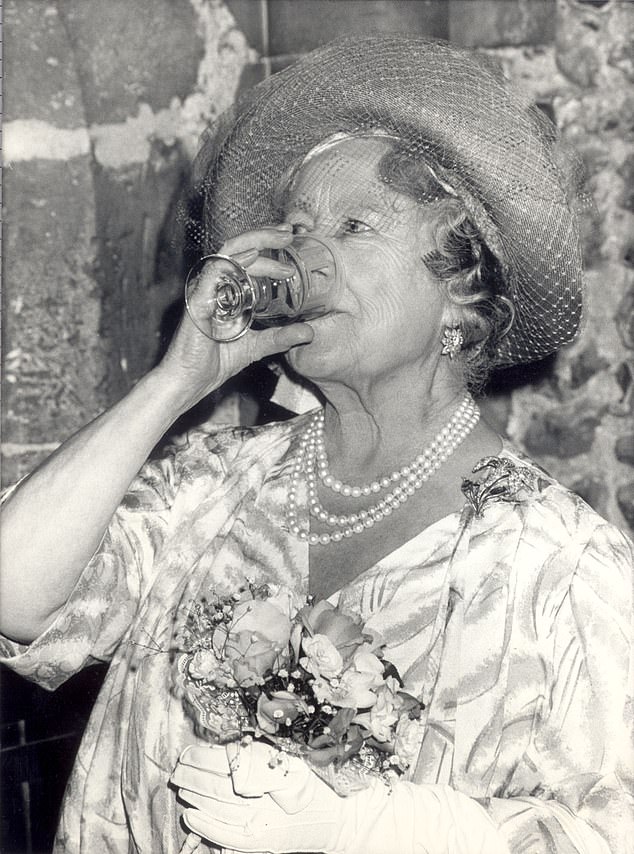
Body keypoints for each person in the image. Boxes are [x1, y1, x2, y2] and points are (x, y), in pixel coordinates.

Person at [1, 33, 632, 854]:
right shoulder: (214, 482)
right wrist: (175, 384)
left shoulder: (556, 567)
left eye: (354, 224)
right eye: (295, 226)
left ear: (461, 301)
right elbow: (18, 593)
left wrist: (368, 828)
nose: (305, 253)